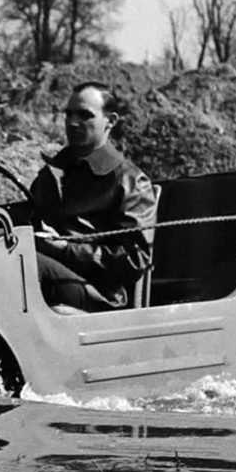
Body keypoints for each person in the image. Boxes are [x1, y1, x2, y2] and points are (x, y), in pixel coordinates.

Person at [31, 82, 158, 310]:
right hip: (50, 275)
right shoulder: (53, 172)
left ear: (110, 121)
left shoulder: (129, 181)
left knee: (25, 265)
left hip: (98, 292)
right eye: (69, 114)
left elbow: (135, 259)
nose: (72, 123)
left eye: (85, 115)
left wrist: (65, 248)